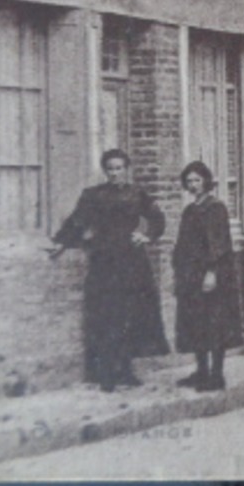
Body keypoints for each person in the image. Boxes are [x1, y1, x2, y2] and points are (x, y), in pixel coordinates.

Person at [51, 148, 170, 392]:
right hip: (104, 260)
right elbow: (77, 220)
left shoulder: (138, 194)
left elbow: (158, 219)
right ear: (105, 171)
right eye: (110, 169)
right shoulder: (94, 195)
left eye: (119, 168)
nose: (115, 173)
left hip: (132, 261)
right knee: (106, 315)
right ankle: (105, 373)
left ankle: (125, 370)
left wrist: (145, 235)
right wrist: (61, 242)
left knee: (130, 315)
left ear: (127, 170)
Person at [172, 161, 244, 392]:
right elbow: (182, 244)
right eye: (189, 181)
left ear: (206, 181)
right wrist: (178, 273)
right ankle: (201, 371)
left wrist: (211, 273)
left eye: (197, 180)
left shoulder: (216, 208)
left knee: (215, 324)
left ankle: (216, 375)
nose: (193, 185)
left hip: (213, 275)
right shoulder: (190, 210)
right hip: (191, 274)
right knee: (196, 323)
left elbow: (219, 244)